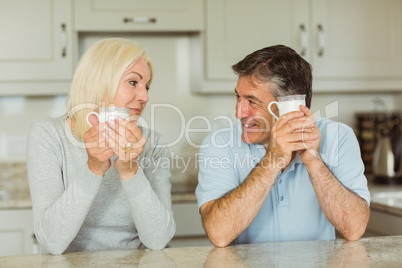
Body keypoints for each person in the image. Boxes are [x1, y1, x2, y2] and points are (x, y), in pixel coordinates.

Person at [195, 45, 370, 247]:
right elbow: (219, 234)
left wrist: (314, 162)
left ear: (291, 105)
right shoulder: (219, 143)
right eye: (238, 97)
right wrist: (272, 160)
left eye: (251, 101)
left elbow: (354, 229)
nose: (239, 113)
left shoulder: (339, 137)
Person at [27, 38, 175, 254]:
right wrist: (94, 169)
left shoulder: (153, 143)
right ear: (99, 82)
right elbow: (51, 242)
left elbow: (158, 240)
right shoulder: (49, 135)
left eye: (147, 86)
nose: (145, 97)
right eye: (133, 82)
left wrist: (131, 171)